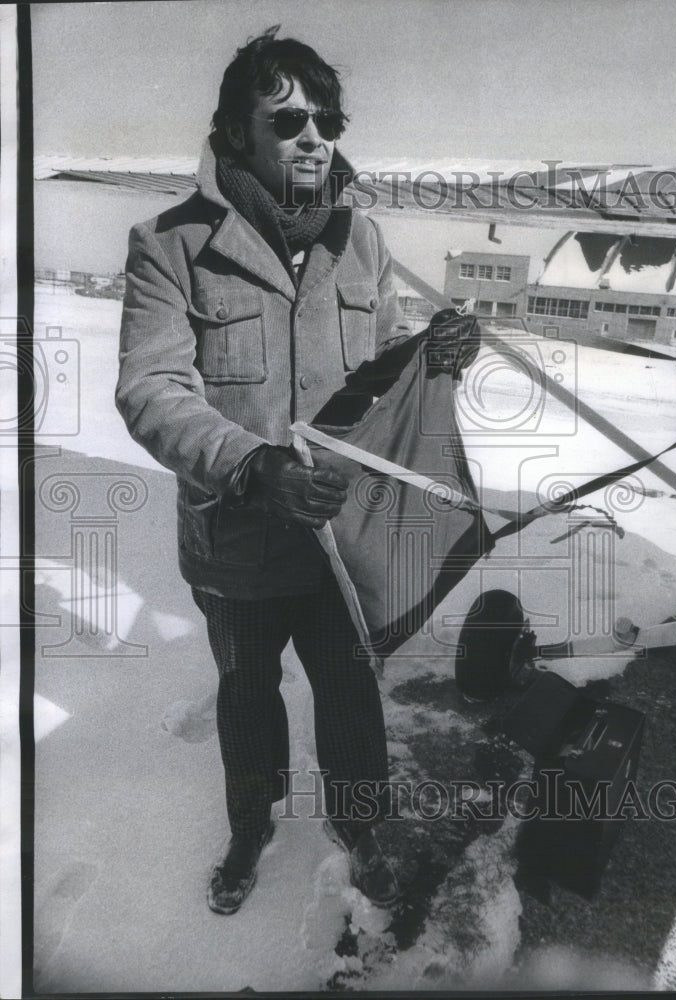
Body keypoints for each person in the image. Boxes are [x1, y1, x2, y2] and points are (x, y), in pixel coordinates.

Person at [116, 26, 413, 915]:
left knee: (352, 695)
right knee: (248, 692)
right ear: (235, 132)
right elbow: (152, 391)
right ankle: (253, 822)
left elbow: (389, 362)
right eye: (287, 120)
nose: (314, 135)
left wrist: (439, 358)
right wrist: (256, 465)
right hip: (238, 540)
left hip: (341, 539)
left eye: (326, 118)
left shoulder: (362, 240)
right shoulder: (169, 243)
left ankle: (363, 827)